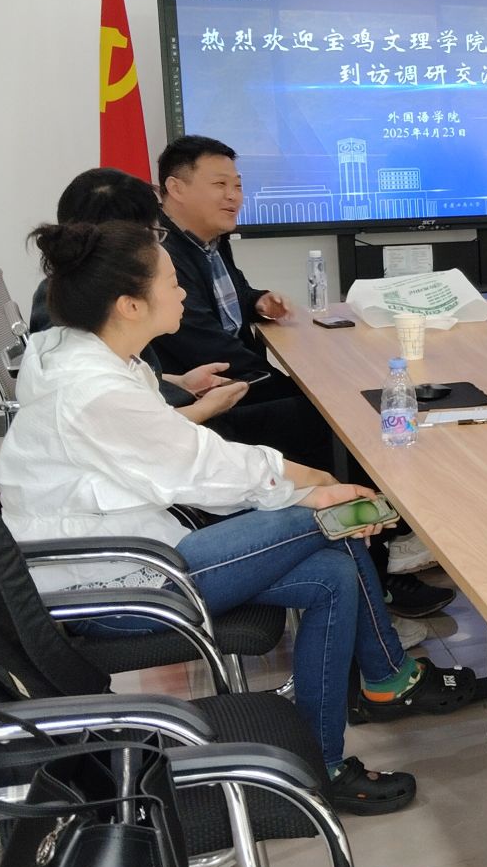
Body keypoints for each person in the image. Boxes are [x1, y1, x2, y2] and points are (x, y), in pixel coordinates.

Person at [0, 219, 484, 813]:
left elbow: (181, 459)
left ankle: (322, 763)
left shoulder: (79, 353)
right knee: (326, 518)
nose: (182, 291)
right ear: (129, 305)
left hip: (135, 551)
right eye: (171, 282)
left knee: (333, 571)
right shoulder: (95, 390)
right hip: (119, 587)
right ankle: (383, 680)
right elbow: (204, 468)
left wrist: (307, 489)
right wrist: (314, 488)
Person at [152, 135, 452, 620]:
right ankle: (380, 567)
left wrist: (258, 300)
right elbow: (200, 343)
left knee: (340, 403)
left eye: (238, 185)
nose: (234, 196)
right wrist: (296, 366)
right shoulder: (162, 254)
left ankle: (386, 544)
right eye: (220, 185)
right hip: (211, 402)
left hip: (235, 383)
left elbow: (231, 295)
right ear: (176, 188)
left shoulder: (207, 241)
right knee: (336, 417)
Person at [26, 167, 245, 424]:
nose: (158, 243)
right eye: (154, 232)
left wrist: (179, 382)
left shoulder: (93, 287)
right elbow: (125, 422)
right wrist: (207, 407)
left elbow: (124, 373)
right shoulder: (74, 306)